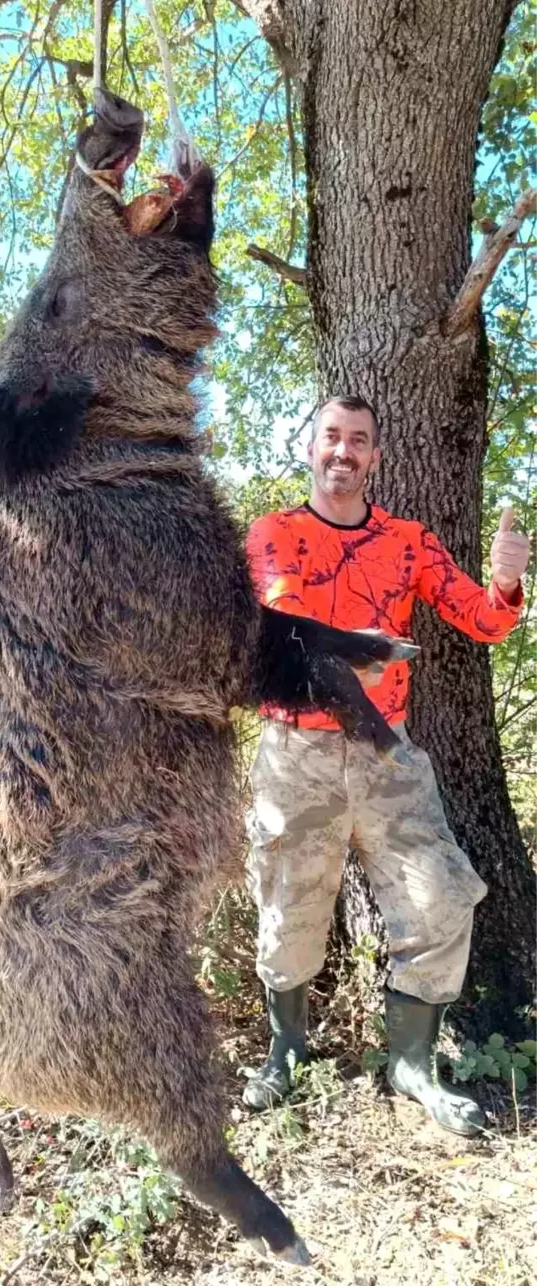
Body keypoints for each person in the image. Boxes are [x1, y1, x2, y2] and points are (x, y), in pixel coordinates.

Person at [243, 394, 530, 1136]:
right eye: (331, 437)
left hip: (387, 751)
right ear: (309, 448)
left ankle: (410, 1063)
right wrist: (343, 658)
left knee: (441, 897)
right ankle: (287, 1048)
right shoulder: (271, 535)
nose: (343, 451)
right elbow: (278, 623)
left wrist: (506, 583)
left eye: (359, 441)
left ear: (375, 457)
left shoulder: (407, 539)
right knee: (288, 903)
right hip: (295, 753)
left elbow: (484, 621)